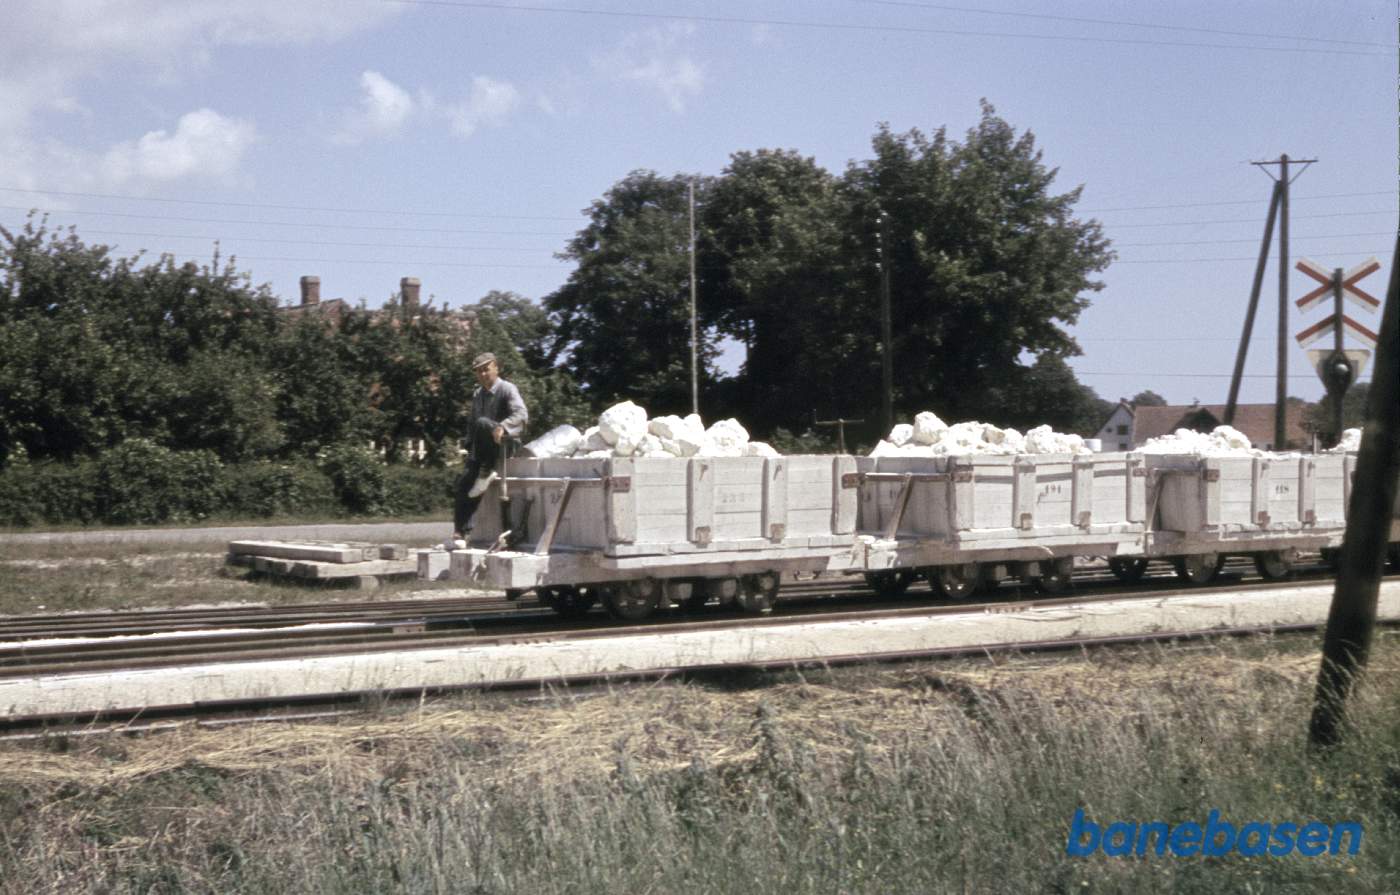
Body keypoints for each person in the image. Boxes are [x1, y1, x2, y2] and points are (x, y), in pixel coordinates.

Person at [447, 352, 528, 548]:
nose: (483, 374)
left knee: (484, 423)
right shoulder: (478, 394)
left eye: (486, 369)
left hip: (506, 443)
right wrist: (469, 447)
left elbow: (522, 414)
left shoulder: (507, 388)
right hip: (484, 450)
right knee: (464, 482)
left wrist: (504, 426)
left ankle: (486, 470)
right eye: (479, 371)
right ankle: (460, 533)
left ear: (496, 368)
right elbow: (472, 424)